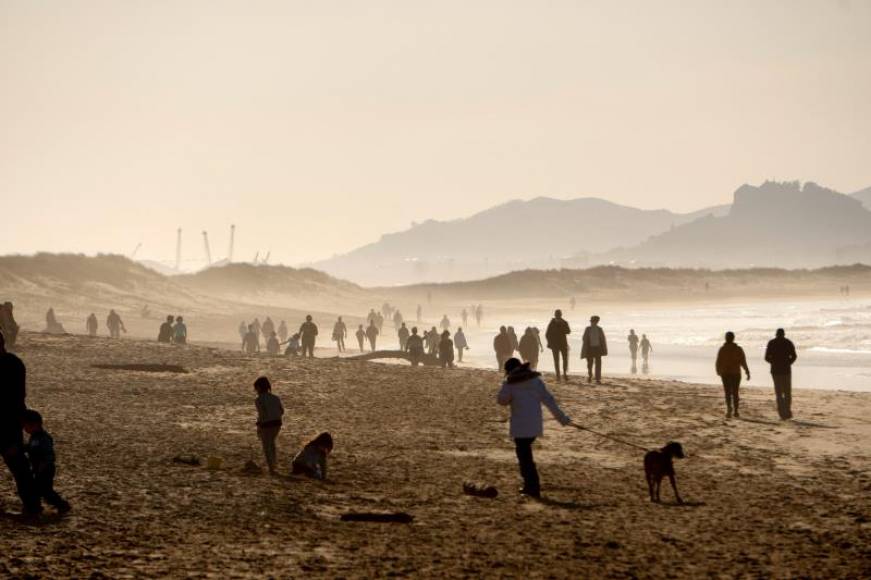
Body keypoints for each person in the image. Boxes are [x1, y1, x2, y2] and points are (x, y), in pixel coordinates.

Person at [497, 358, 571, 498]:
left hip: (520, 426)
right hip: (534, 425)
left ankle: (532, 486)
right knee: (525, 454)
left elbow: (502, 401)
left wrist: (505, 388)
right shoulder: (535, 381)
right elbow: (549, 400)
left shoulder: (510, 383)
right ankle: (531, 485)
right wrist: (563, 419)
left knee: (524, 456)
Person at [0, 331, 40, 515]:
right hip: (12, 420)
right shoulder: (15, 363)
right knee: (19, 465)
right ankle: (32, 504)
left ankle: (32, 504)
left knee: (18, 464)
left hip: (8, 421)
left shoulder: (12, 365)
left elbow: (15, 397)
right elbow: (19, 396)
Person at [22, 410, 70, 514]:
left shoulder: (43, 438)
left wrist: (42, 466)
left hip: (46, 469)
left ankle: (62, 505)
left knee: (46, 491)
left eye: (26, 426)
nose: (24, 429)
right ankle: (37, 506)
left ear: (35, 424)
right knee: (38, 489)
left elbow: (49, 455)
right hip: (39, 468)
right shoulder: (34, 437)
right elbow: (31, 447)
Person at [716, 331, 750, 418]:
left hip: (725, 373)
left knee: (727, 392)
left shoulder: (722, 349)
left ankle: (729, 409)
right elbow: (743, 362)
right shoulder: (738, 349)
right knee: (735, 392)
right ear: (733, 338)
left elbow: (718, 362)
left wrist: (718, 371)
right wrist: (747, 371)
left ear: (726, 338)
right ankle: (736, 411)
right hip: (735, 373)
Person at [253, 377, 283, 475]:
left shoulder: (258, 400)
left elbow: (262, 415)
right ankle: (274, 464)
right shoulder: (275, 397)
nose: (255, 391)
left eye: (256, 388)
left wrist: (259, 426)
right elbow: (282, 411)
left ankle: (271, 469)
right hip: (277, 423)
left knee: (266, 446)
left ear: (259, 388)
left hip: (267, 424)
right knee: (272, 443)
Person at [765, 328, 797, 420]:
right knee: (787, 392)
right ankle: (787, 411)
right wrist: (788, 363)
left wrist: (773, 362)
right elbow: (794, 356)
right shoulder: (788, 342)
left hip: (775, 370)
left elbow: (766, 357)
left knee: (779, 393)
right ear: (784, 334)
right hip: (786, 370)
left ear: (776, 334)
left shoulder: (771, 343)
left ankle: (782, 414)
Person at [545, 310, 571, 382]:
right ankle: (558, 375)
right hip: (555, 345)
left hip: (563, 344)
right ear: (555, 315)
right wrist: (550, 343)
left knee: (565, 359)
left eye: (559, 314)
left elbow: (568, 331)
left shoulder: (564, 322)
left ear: (561, 315)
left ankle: (564, 374)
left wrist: (562, 325)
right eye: (557, 314)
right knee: (557, 360)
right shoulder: (552, 323)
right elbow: (547, 334)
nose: (558, 316)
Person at [581, 316, 608, 384]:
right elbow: (584, 338)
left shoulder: (599, 329)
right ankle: (590, 376)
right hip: (589, 348)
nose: (593, 322)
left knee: (598, 364)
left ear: (596, 322)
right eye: (592, 321)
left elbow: (603, 340)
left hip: (597, 348)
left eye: (594, 321)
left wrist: (604, 349)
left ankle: (597, 378)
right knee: (590, 363)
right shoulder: (588, 329)